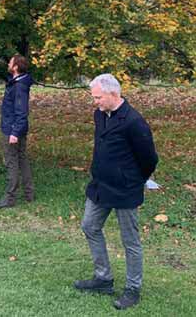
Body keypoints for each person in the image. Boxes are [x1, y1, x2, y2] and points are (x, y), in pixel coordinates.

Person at [73, 74, 158, 311]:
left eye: (98, 97)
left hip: (125, 190)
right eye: (94, 97)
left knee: (130, 240)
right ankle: (103, 278)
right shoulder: (100, 115)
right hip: (100, 186)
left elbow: (149, 159)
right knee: (89, 225)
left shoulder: (134, 122)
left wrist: (133, 179)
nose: (95, 102)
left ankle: (133, 288)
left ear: (113, 94)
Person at [0, 55, 35, 208]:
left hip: (12, 129)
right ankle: (29, 194)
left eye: (10, 62)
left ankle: (10, 198)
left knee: (12, 162)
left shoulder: (19, 86)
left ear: (16, 67)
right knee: (22, 159)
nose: (8, 64)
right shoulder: (18, 82)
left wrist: (14, 133)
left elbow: (21, 111)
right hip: (16, 127)